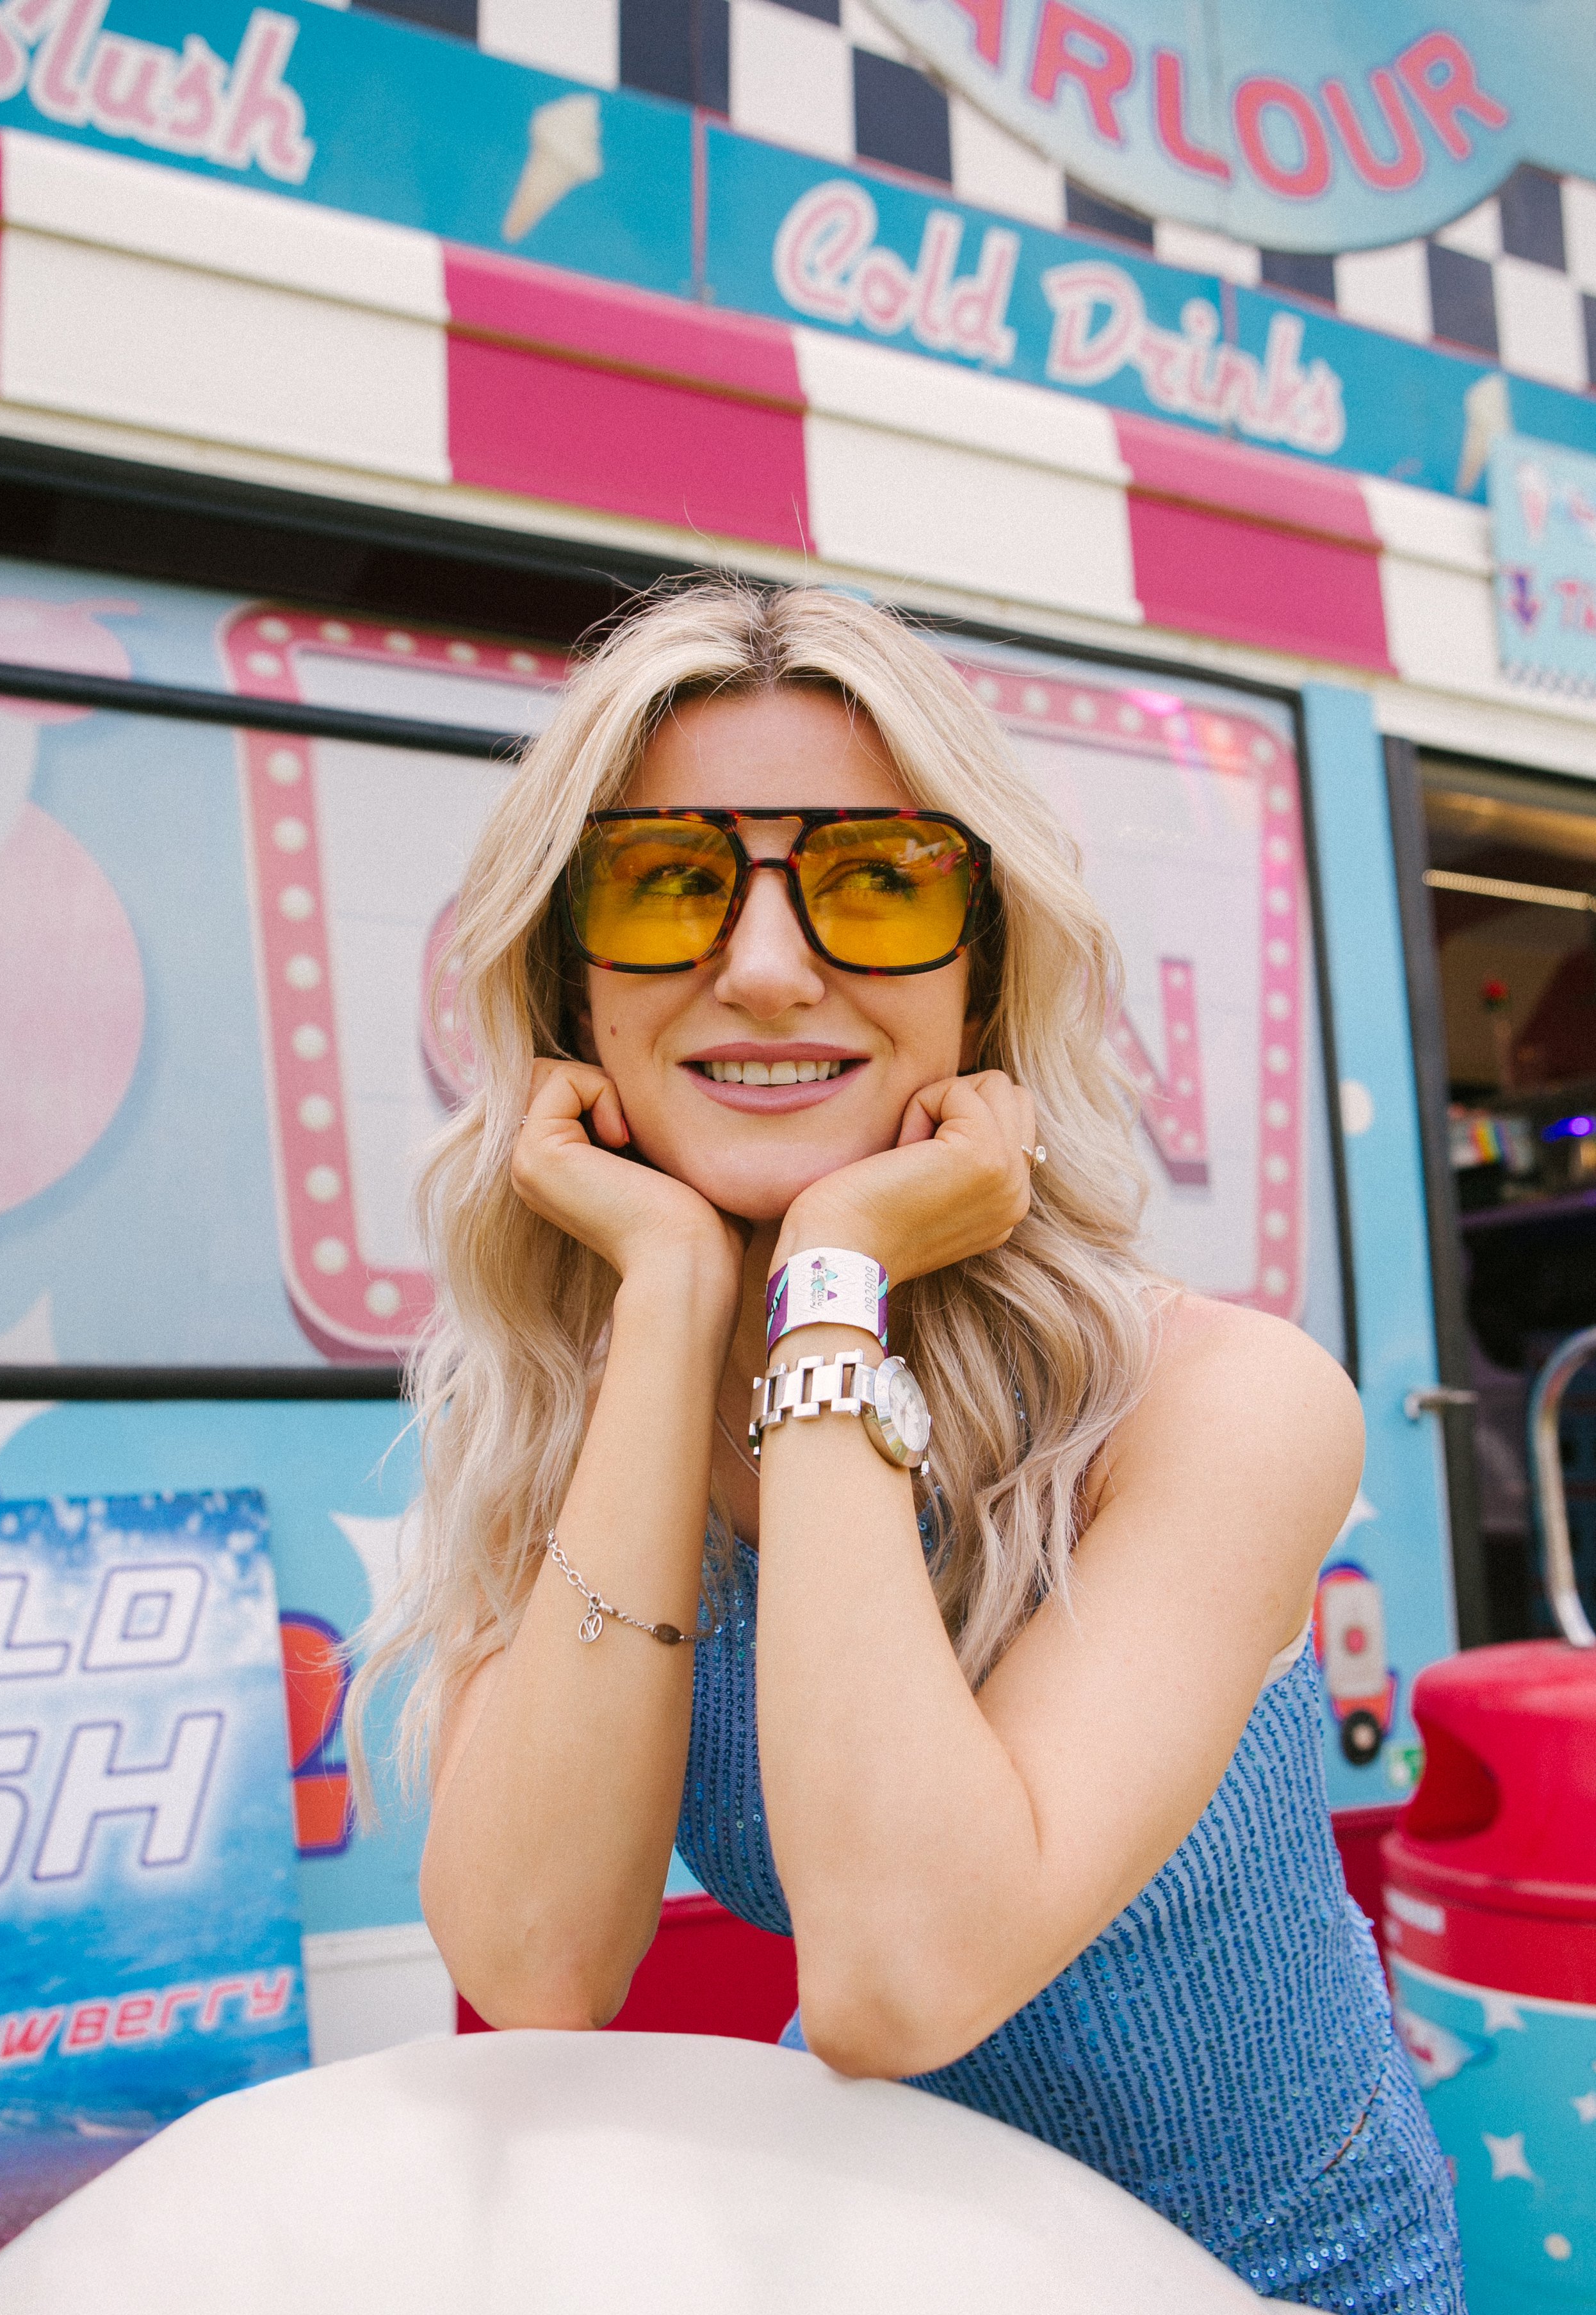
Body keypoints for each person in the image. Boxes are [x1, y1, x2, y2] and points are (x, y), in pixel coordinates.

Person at [351, 582, 1463, 2311]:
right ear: (566, 984)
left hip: (1270, 2281)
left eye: (876, 884)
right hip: (907, 2267)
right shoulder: (577, 1413)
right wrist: (659, 1300)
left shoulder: (1216, 1399)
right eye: (666, 885)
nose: (770, 965)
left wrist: (831, 1279)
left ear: (982, 973)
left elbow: (899, 1970)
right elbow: (534, 1957)